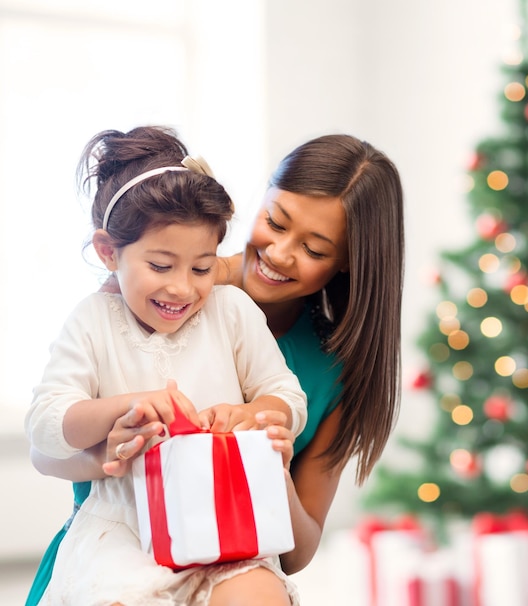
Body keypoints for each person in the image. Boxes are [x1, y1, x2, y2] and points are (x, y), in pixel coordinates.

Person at [27, 132, 405, 602]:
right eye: (276, 221)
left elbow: (297, 548)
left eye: (315, 250)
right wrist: (115, 448)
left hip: (232, 555)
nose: (281, 253)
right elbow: (45, 442)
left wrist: (267, 449)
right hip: (116, 550)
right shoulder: (133, 295)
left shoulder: (299, 351)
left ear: (349, 262)